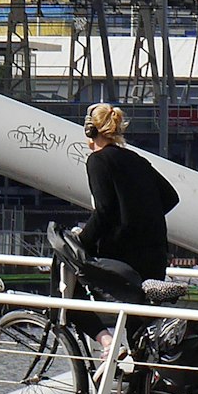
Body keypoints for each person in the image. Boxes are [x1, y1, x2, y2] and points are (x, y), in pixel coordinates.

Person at [76, 102, 178, 286]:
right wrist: (141, 218)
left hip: (122, 260)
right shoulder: (137, 159)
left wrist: (81, 241)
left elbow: (104, 210)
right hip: (155, 256)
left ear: (90, 131)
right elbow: (171, 197)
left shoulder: (97, 161)